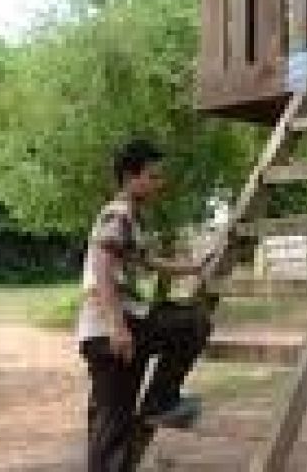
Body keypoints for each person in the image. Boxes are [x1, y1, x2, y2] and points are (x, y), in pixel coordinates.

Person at [77, 139, 213, 472]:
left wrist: (194, 267)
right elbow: (101, 266)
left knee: (113, 421)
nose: (158, 184)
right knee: (192, 322)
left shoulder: (130, 220)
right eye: (152, 177)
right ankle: (162, 399)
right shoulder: (117, 213)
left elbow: (149, 261)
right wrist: (116, 326)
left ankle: (159, 399)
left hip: (121, 325)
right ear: (129, 177)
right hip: (112, 328)